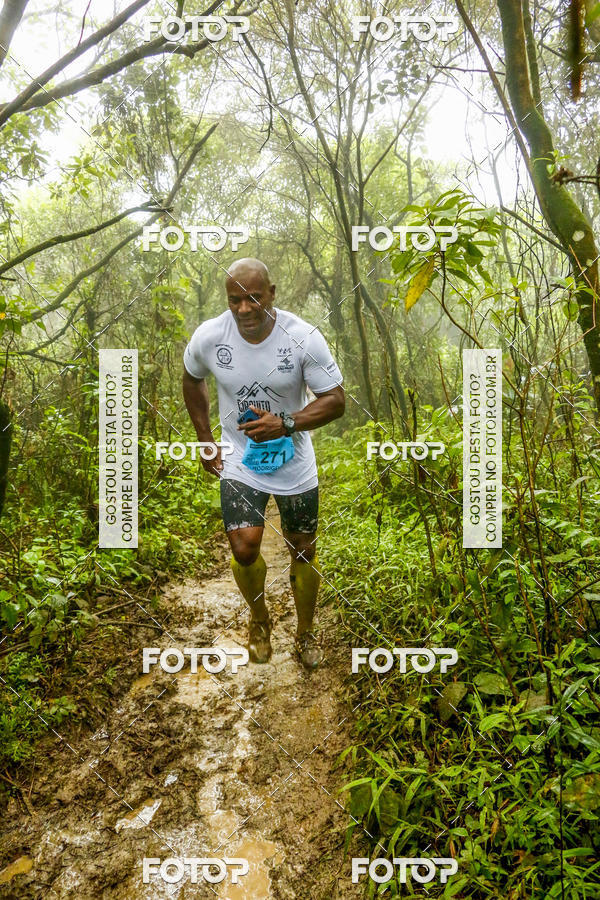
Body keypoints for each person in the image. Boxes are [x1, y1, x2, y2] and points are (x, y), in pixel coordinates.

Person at [182, 258, 345, 669]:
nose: (244, 309)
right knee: (244, 548)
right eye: (235, 300)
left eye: (254, 298)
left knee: (303, 549)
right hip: (240, 459)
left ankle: (305, 634)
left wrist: (286, 422)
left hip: (294, 459)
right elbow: (191, 377)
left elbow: (335, 400)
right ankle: (259, 619)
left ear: (272, 293)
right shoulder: (210, 337)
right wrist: (205, 441)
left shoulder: (303, 337)